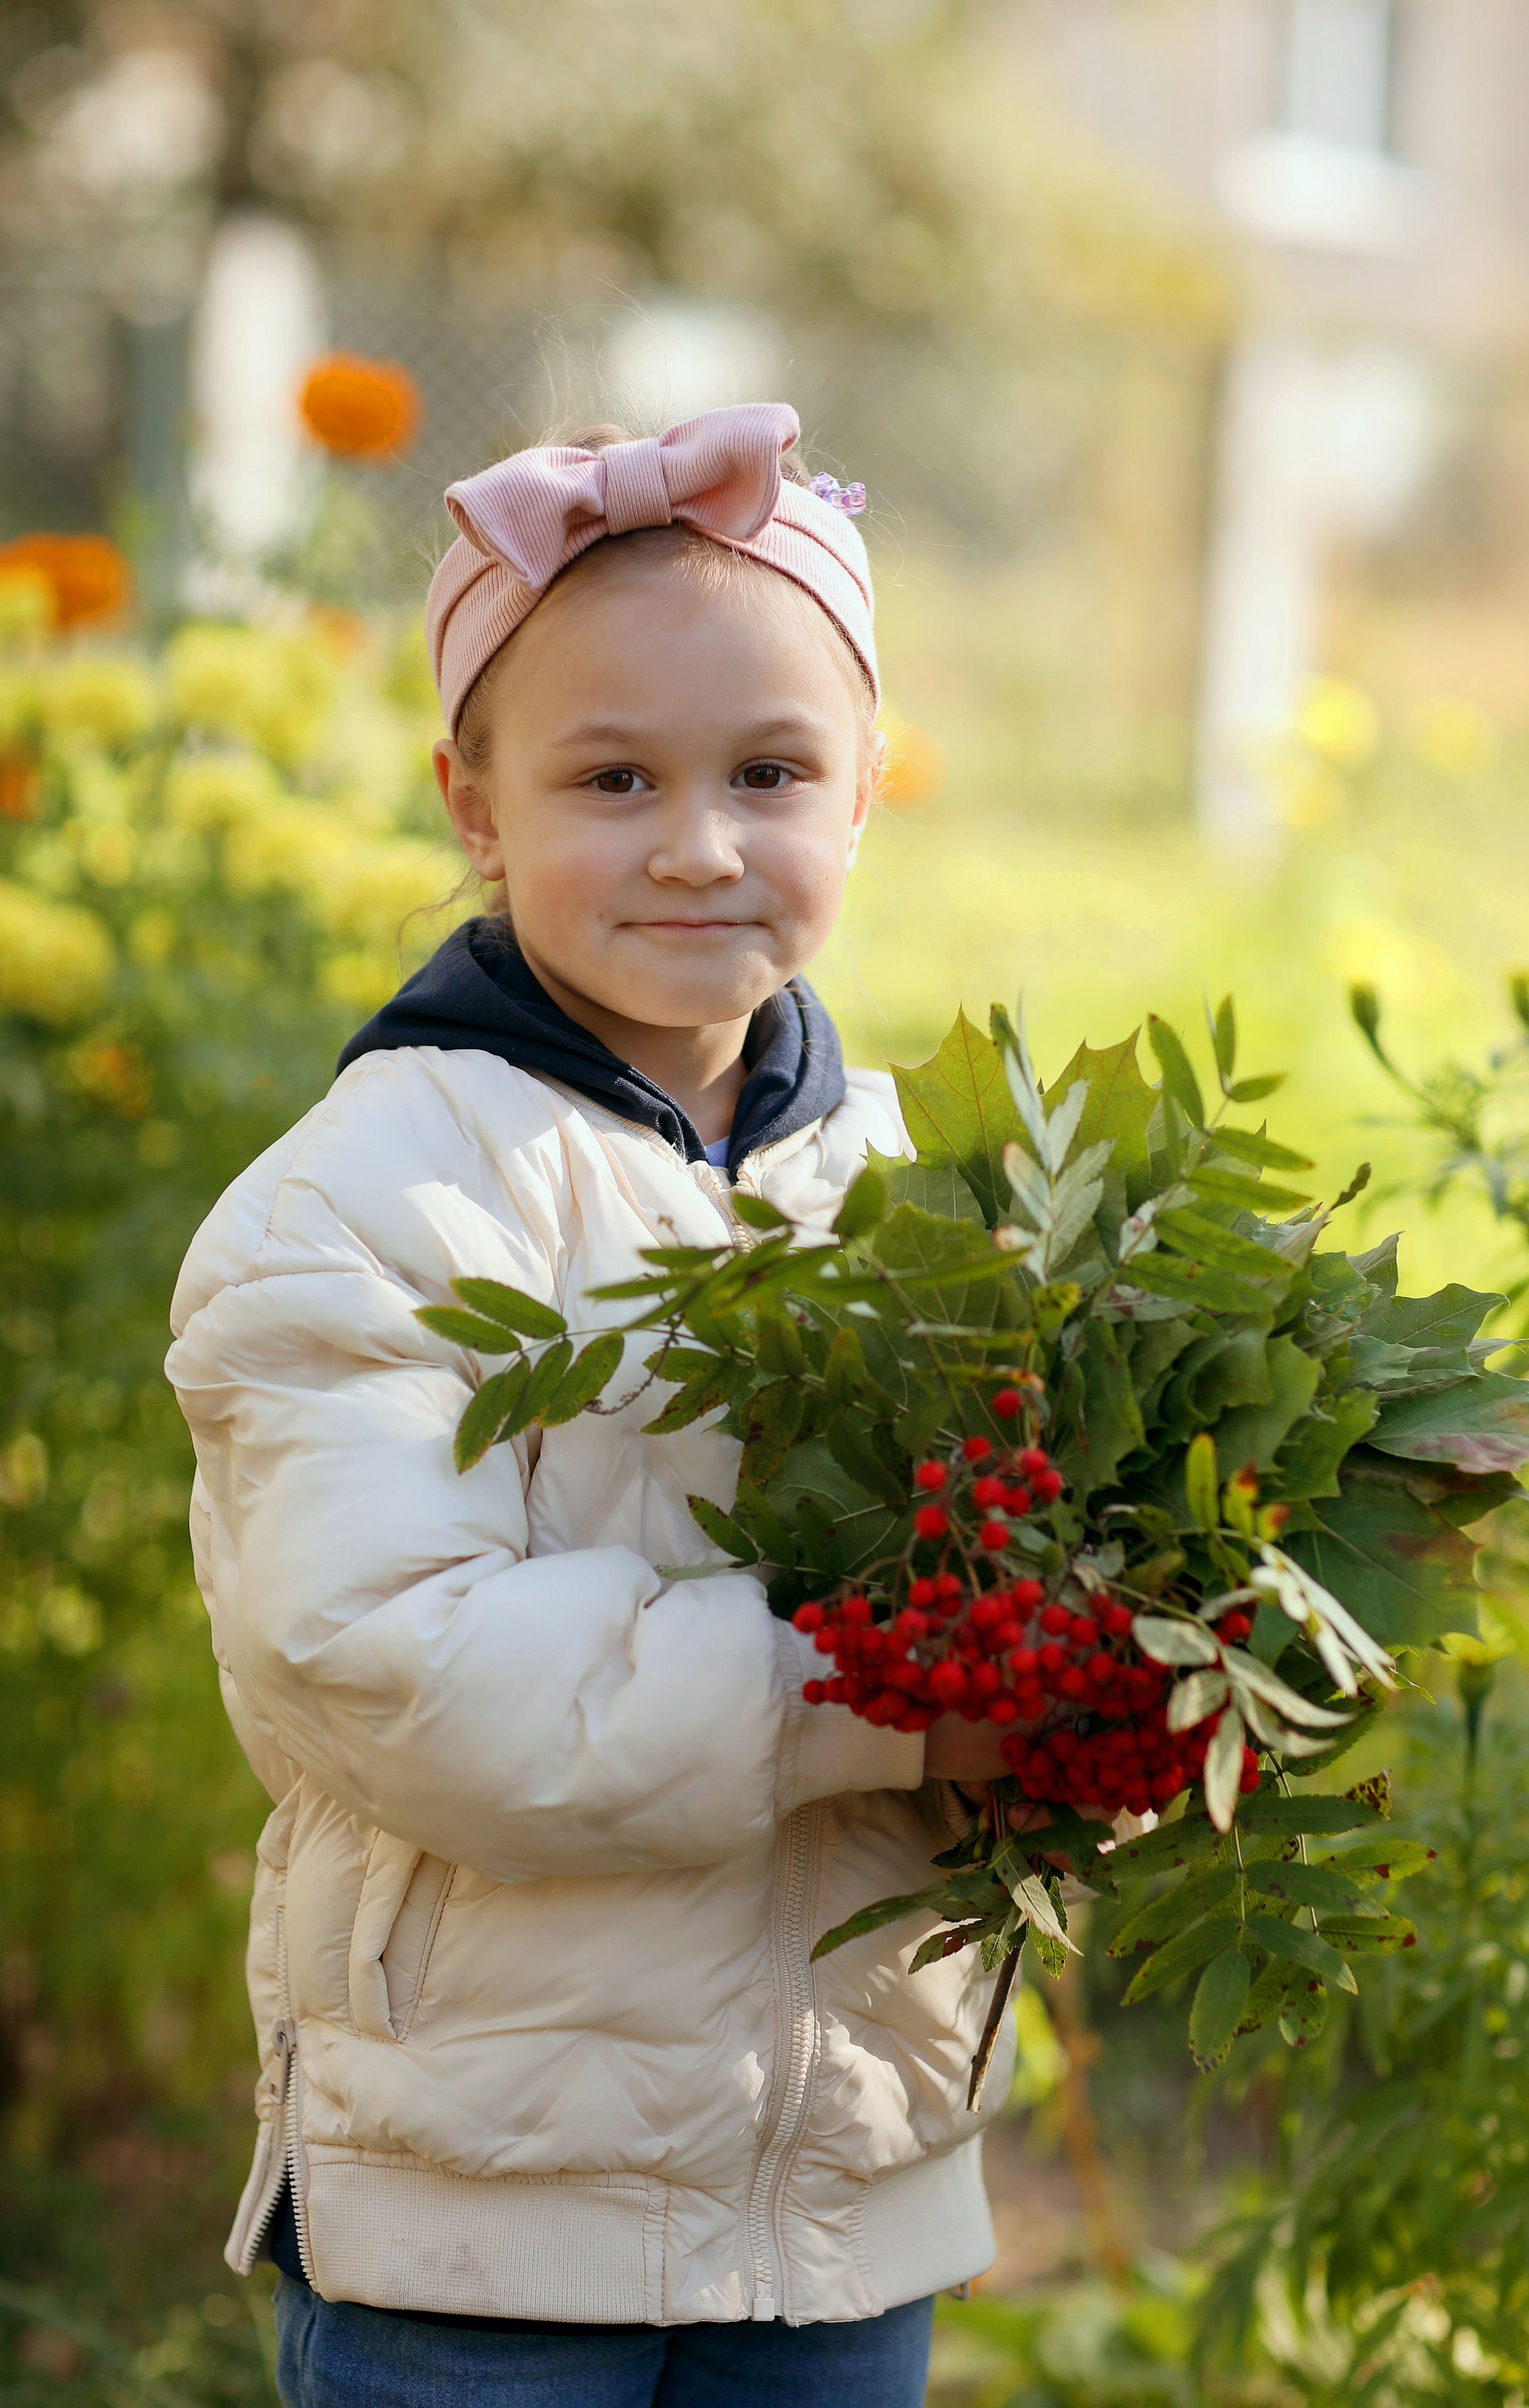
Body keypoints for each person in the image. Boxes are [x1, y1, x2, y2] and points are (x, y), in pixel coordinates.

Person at [166, 403, 1017, 2408]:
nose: (702, 842)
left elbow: (1035, 1555)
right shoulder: (364, 1200)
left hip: (838, 2193)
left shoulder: (941, 1200)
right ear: (477, 801)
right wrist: (882, 1698)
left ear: (870, 790)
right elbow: (387, 1659)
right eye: (614, 776)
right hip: (486, 2215)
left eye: (773, 772)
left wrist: (1120, 1676)